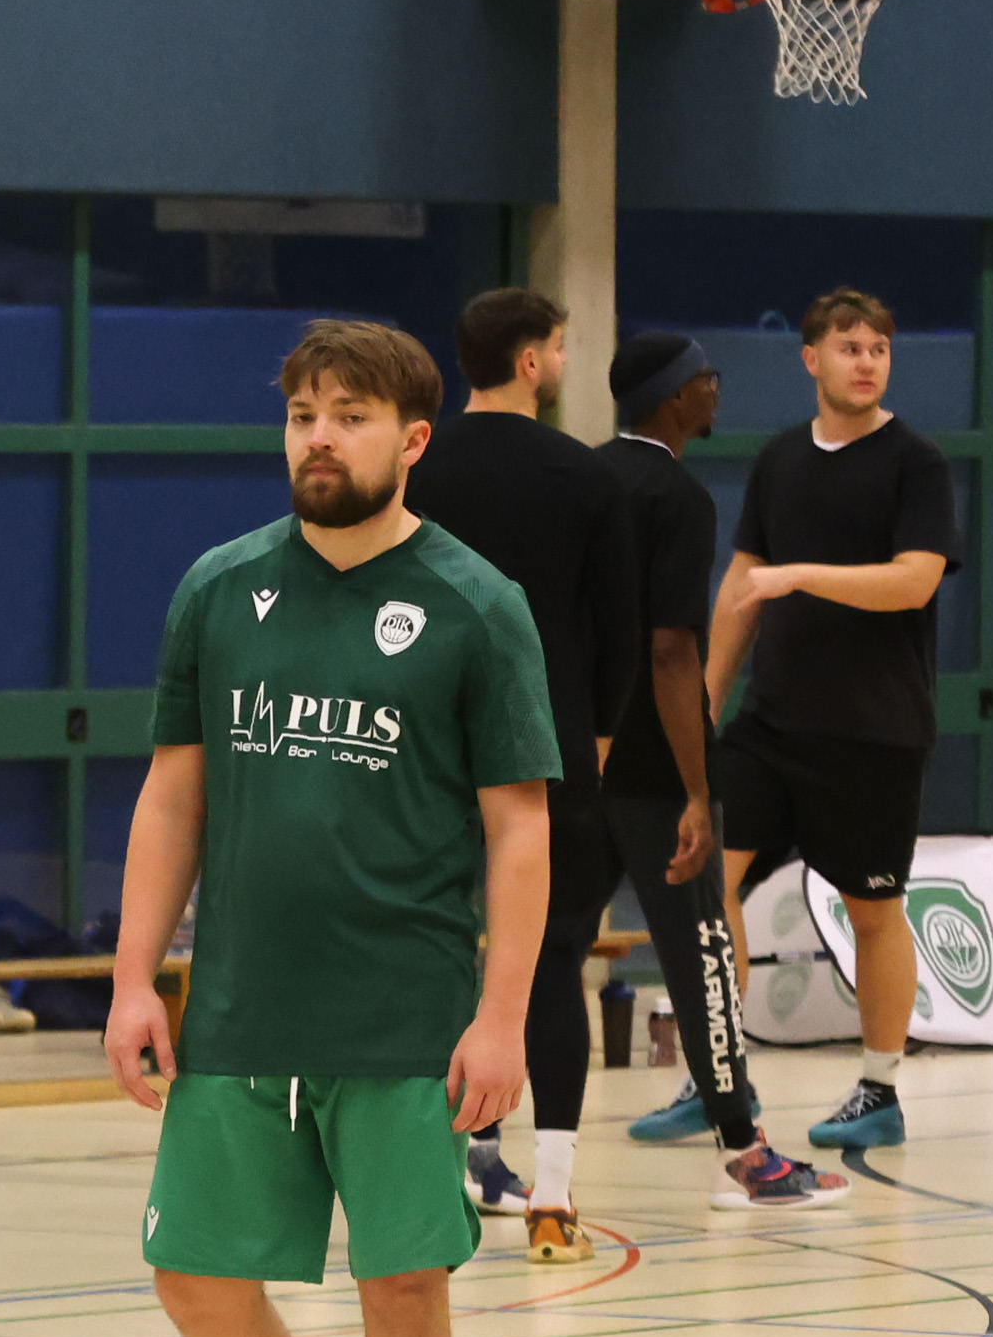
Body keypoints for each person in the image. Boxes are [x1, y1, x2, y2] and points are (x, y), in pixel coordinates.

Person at [105, 319, 556, 1337]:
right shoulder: (220, 587)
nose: (318, 436)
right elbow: (172, 795)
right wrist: (133, 976)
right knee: (194, 1281)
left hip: (404, 1016)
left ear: (410, 440)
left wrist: (500, 1015)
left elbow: (519, 829)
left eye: (349, 416)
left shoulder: (476, 604)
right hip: (241, 1007)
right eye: (303, 412)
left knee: (401, 1289)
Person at [406, 289, 636, 1265]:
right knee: (549, 961)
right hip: (548, 752)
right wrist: (597, 743)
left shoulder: (416, 467)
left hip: (424, 749)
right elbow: (619, 633)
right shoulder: (587, 478)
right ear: (533, 361)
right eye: (561, 347)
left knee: (433, 955)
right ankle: (551, 1194)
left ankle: (449, 1167)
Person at [706, 288, 959, 1155]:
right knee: (705, 882)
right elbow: (742, 588)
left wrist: (802, 574)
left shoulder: (915, 462)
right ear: (810, 357)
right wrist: (705, 695)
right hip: (770, 725)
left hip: (873, 730)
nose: (866, 361)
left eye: (878, 349)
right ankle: (718, 1070)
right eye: (850, 347)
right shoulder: (781, 459)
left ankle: (879, 1087)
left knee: (873, 910)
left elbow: (915, 581)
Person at [597, 333, 842, 1205]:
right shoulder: (678, 496)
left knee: (545, 956)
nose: (716, 389)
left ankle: (488, 1148)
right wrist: (697, 785)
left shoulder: (581, 480)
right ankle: (744, 1152)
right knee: (702, 955)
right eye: (706, 379)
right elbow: (671, 651)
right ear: (674, 399)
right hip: (652, 770)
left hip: (569, 761)